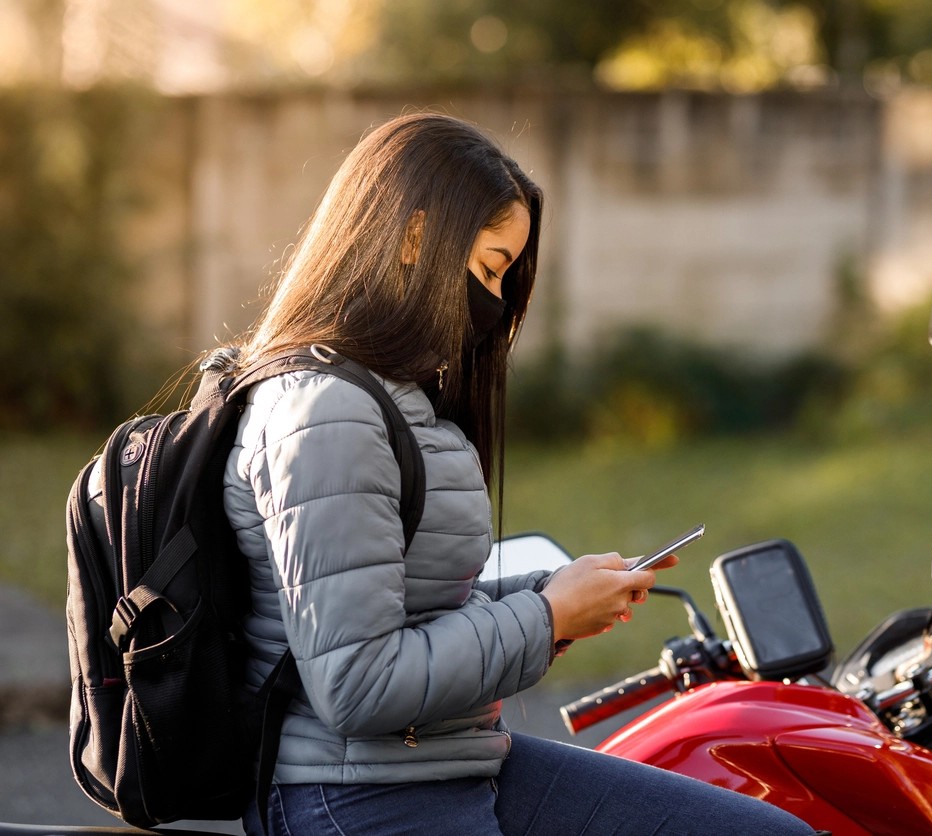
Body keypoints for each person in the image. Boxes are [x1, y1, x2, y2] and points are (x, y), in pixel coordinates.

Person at [222, 111, 815, 835]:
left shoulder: (396, 399)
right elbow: (358, 684)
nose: (495, 304)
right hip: (354, 795)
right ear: (412, 237)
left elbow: (406, 605)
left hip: (447, 761)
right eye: (489, 269)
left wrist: (549, 597)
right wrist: (546, 616)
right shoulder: (328, 413)